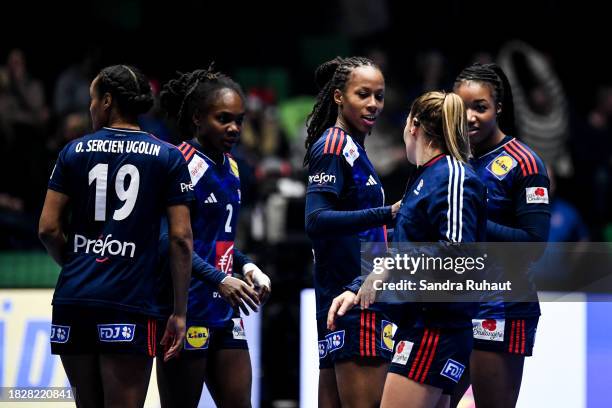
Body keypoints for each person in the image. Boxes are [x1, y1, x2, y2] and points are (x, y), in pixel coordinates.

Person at [38, 64, 194, 408]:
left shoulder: (72, 151)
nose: (90, 107)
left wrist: (78, 261)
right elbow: (181, 239)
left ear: (107, 101)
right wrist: (179, 312)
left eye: (93, 99)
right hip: (130, 303)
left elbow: (48, 228)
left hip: (74, 301)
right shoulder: (169, 156)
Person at [328, 91, 487, 408]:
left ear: (413, 125)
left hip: (436, 328)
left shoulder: (453, 176)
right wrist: (358, 288)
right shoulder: (423, 177)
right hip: (417, 323)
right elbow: (402, 249)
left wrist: (389, 268)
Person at [156, 66, 271, 408]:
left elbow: (218, 240)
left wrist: (248, 266)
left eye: (239, 119)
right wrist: (220, 278)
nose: (234, 128)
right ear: (197, 118)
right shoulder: (178, 163)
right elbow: (166, 242)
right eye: (224, 119)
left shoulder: (233, 167)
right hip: (184, 310)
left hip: (224, 311)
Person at [451, 63, 551, 408]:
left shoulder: (524, 163)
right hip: (452, 305)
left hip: (501, 308)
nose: (469, 117)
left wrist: (474, 222)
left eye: (480, 106)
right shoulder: (452, 161)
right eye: (461, 107)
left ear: (499, 109)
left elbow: (534, 245)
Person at [304, 56, 400, 408]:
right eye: (363, 94)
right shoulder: (333, 147)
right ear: (339, 98)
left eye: (379, 95)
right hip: (356, 304)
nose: (373, 104)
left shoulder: (355, 149)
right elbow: (315, 220)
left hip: (345, 302)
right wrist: (386, 213)